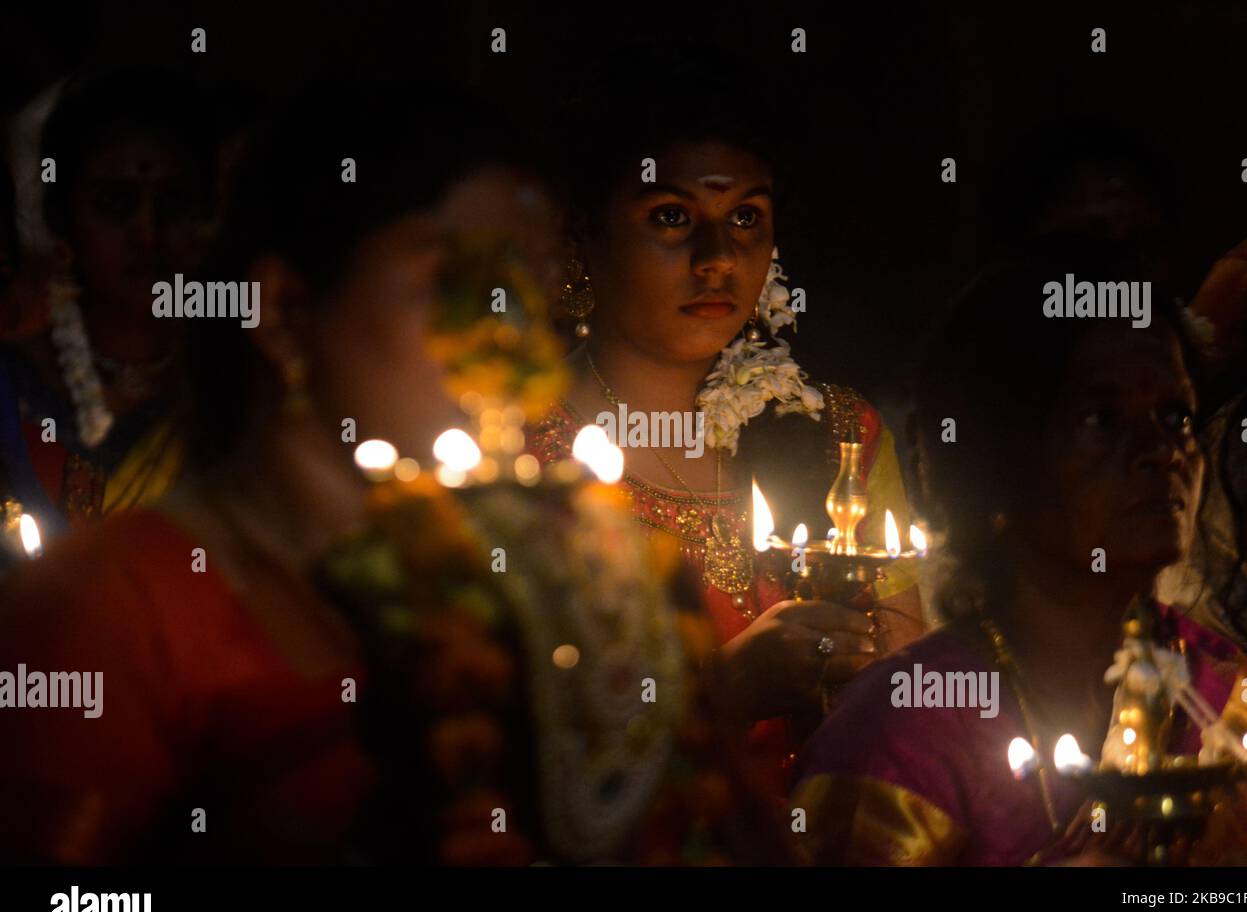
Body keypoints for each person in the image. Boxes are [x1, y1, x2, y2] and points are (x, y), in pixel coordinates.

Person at [0, 78, 777, 865]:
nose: (515, 347)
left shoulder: (561, 580)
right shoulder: (116, 608)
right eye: (460, 285)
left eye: (529, 296)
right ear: (286, 310)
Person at [792, 240, 1247, 865]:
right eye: (1100, 419)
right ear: (992, 462)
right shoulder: (899, 739)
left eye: (1176, 416)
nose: (1161, 449)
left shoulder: (1235, 705)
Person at [526, 50, 925, 794]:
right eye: (671, 217)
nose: (718, 258)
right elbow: (501, 754)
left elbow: (911, 709)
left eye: (746, 217)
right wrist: (719, 692)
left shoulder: (837, 435)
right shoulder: (515, 461)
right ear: (582, 236)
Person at [0, 70, 219, 539]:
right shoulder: (13, 385)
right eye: (115, 202)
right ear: (62, 224)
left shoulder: (234, 387)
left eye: (175, 201)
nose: (148, 234)